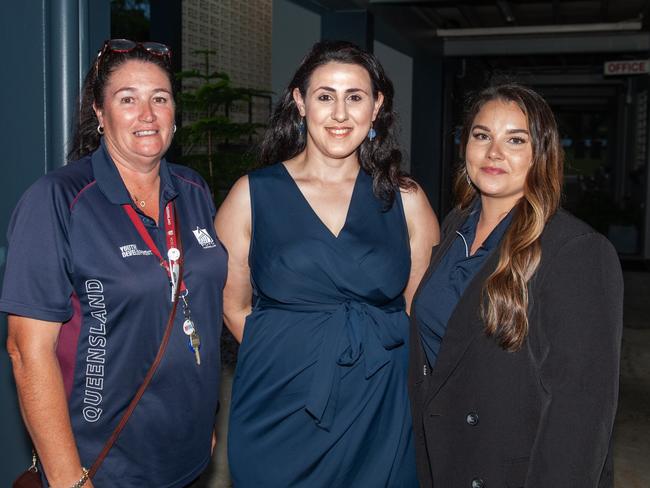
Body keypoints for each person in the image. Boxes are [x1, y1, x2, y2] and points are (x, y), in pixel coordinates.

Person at [2, 39, 227, 487]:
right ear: (100, 115)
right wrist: (68, 479)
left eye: (159, 99)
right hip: (102, 464)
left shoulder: (194, 189)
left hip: (186, 456)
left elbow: (198, 310)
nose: (147, 114)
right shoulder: (58, 199)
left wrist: (206, 419)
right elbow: (27, 352)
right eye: (128, 100)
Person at [216, 40, 439, 486]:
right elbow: (232, 305)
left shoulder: (407, 200)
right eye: (325, 96)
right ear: (300, 102)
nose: (340, 114)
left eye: (354, 97)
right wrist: (294, 350)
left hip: (379, 403)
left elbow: (421, 310)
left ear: (376, 107)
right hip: (280, 401)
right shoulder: (252, 194)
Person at [408, 83, 623, 488]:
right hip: (446, 458)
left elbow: (581, 410)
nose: (494, 152)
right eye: (482, 135)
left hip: (513, 471)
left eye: (515, 140)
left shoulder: (576, 251)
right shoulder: (455, 225)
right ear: (465, 145)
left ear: (541, 154)